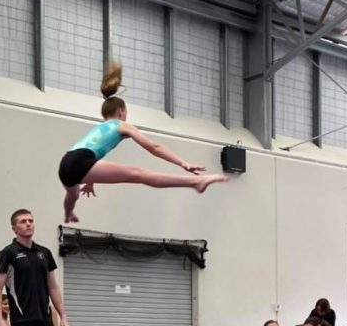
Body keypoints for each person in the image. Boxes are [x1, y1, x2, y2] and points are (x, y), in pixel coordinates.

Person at [58, 62, 227, 223]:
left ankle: (68, 213)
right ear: (122, 111)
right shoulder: (122, 125)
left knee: (73, 195)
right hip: (80, 163)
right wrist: (183, 163)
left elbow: (89, 151)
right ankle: (196, 182)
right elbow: (154, 147)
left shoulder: (100, 128)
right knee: (139, 174)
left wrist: (90, 179)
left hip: (65, 164)